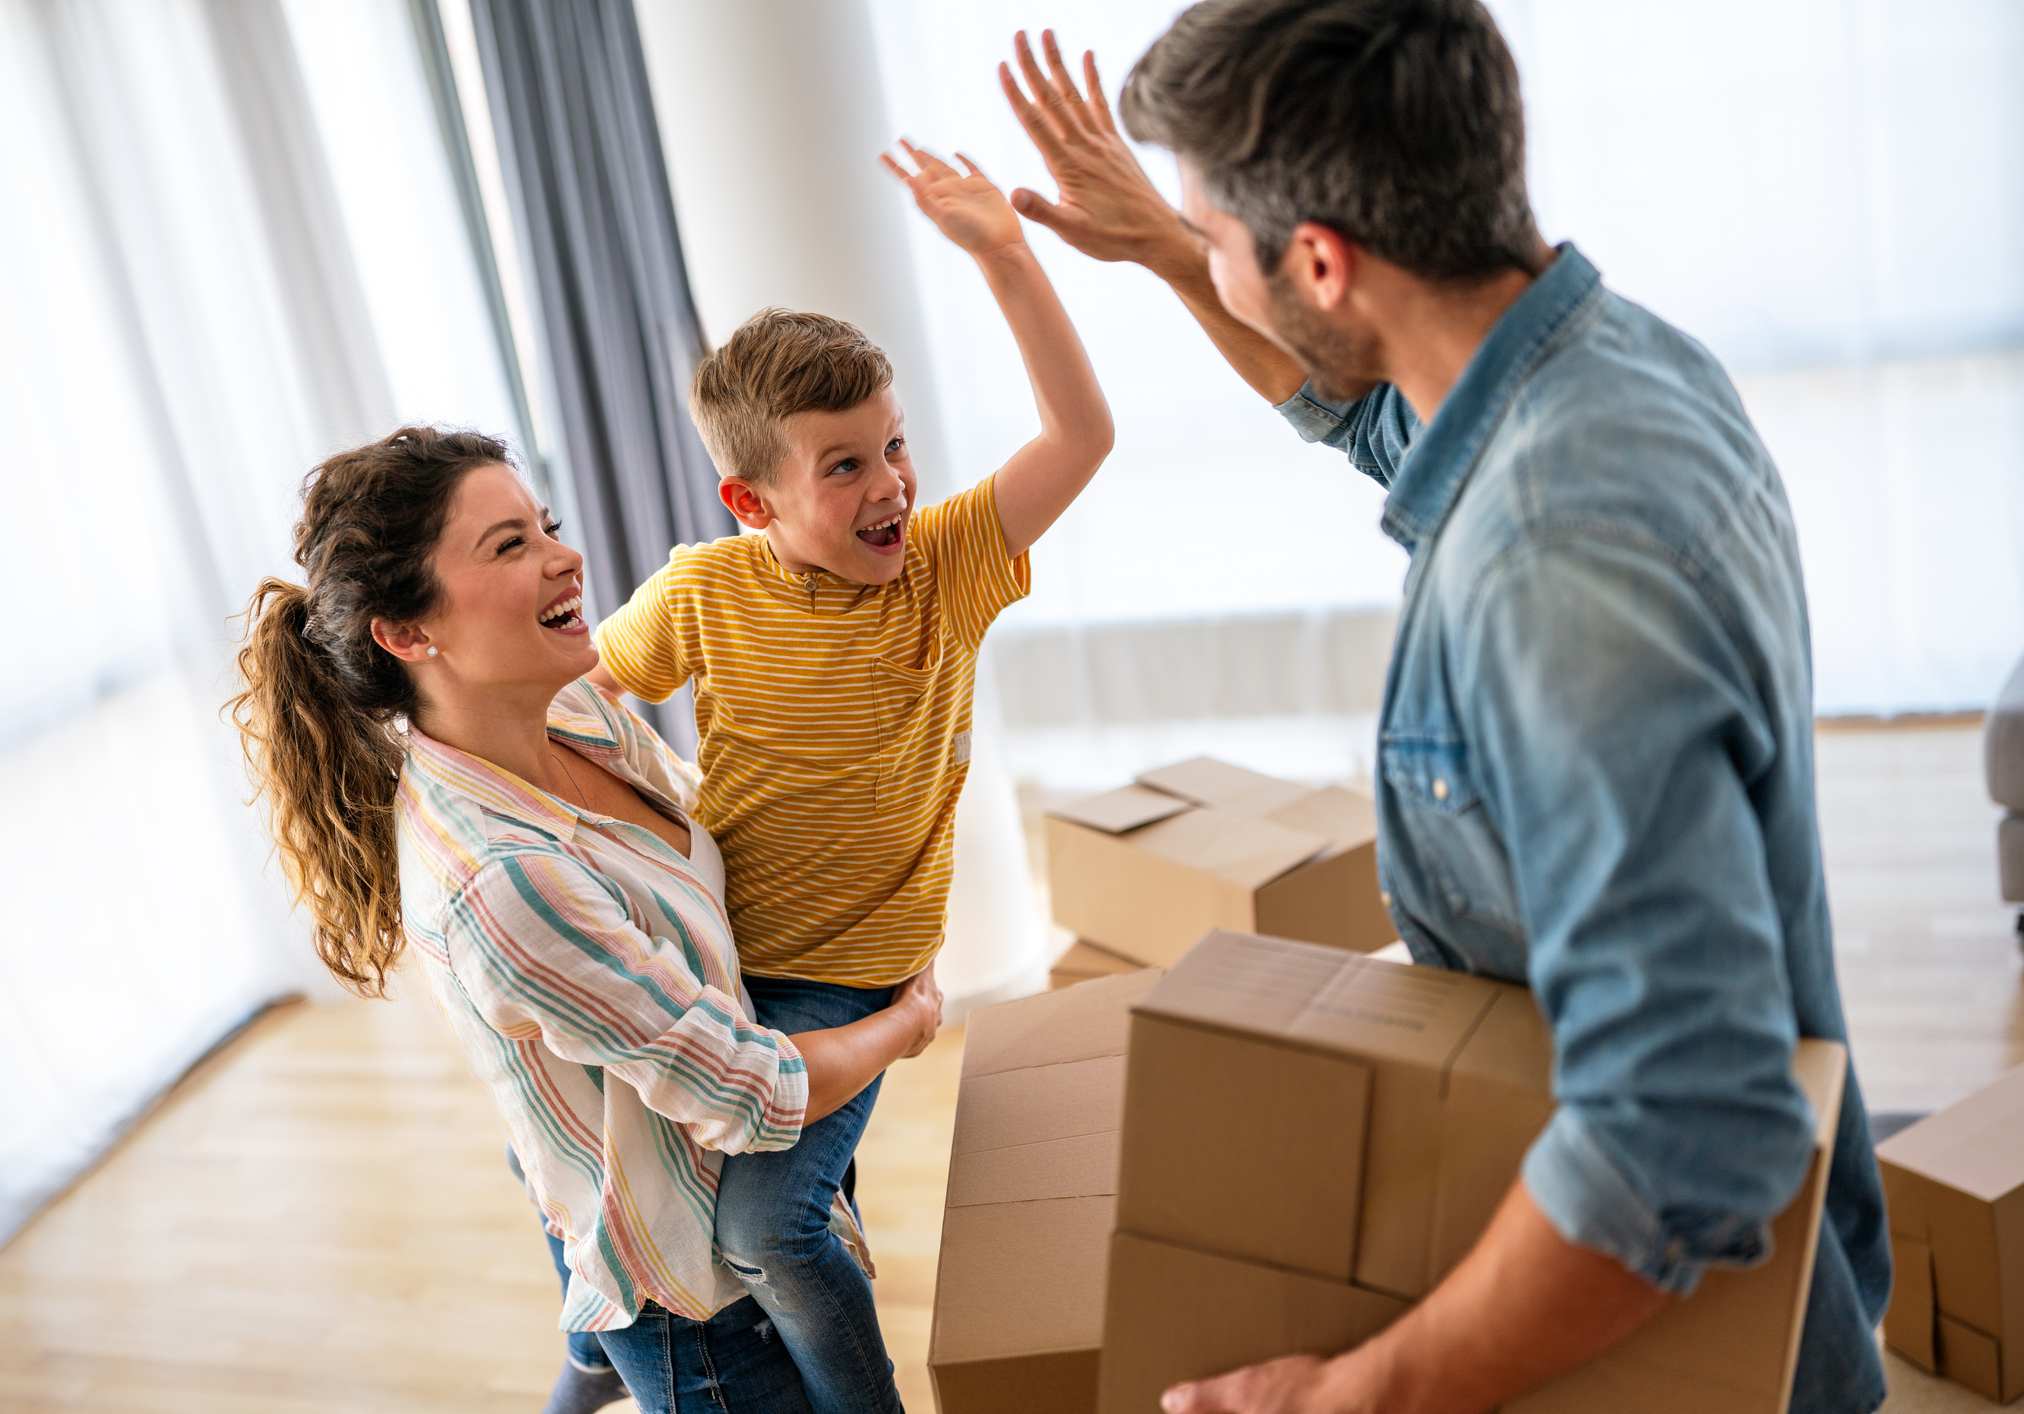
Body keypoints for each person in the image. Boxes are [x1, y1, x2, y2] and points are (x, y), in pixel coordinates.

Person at [994, 6, 1888, 1413]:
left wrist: (1351, 1394)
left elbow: (1681, 1126)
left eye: (1222, 238)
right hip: (1710, 1295)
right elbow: (1376, 413)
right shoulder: (1605, 363)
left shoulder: (1558, 563)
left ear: (1324, 262)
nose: (1213, 265)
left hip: (1692, 1342)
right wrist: (1183, 253)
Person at [229, 428, 944, 1414]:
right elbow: (747, 1092)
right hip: (701, 1313)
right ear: (406, 632)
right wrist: (903, 1022)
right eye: (508, 545)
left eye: (545, 526)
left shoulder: (570, 712)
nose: (564, 556)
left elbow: (707, 855)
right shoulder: (504, 882)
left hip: (667, 1163)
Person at [585, 143, 1113, 1412]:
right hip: (716, 962)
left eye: (892, 447)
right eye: (843, 465)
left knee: (771, 1230)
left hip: (848, 971)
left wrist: (1004, 255)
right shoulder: (701, 588)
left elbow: (1080, 433)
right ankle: (591, 1358)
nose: (890, 485)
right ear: (749, 498)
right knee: (656, 1210)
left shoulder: (943, 564)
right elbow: (580, 694)